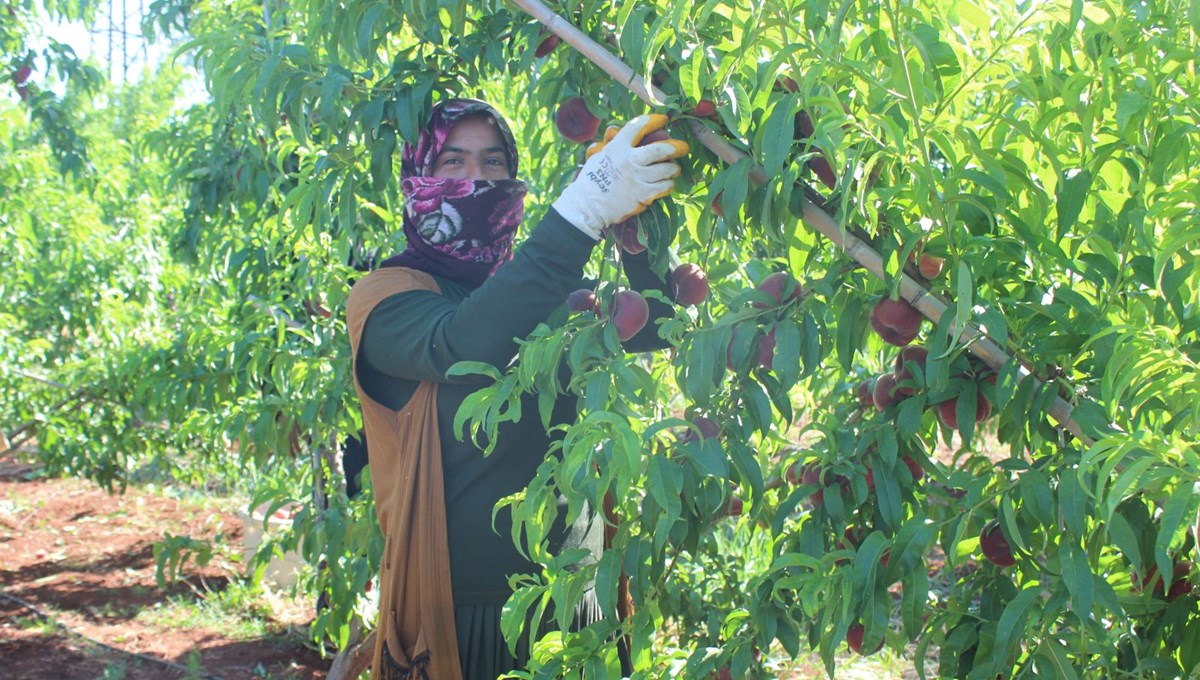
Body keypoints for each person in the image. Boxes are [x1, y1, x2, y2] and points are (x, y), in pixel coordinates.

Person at [346, 98, 688, 680]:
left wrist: (636, 236)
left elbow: (656, 326)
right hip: (463, 623)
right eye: (453, 163)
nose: (476, 181)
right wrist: (581, 210)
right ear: (417, 178)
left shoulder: (540, 287)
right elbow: (463, 347)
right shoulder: (385, 298)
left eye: (494, 163)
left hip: (581, 600)